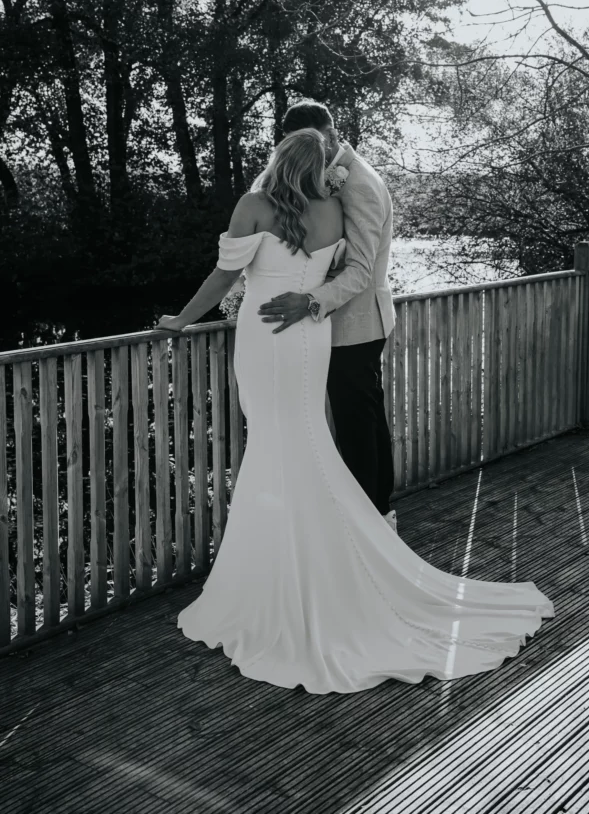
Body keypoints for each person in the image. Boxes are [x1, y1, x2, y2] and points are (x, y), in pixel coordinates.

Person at [157, 121, 554, 694]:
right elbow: (353, 267)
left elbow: (224, 277)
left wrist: (181, 320)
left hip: (267, 337)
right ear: (318, 166)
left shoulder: (253, 205)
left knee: (277, 442)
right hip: (310, 335)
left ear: (278, 159)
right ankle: (316, 557)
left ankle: (285, 575)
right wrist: (312, 298)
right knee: (306, 439)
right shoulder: (332, 211)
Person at [257, 100, 397, 531]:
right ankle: (378, 513)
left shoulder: (358, 184)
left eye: (315, 143)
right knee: (364, 419)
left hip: (357, 323)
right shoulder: (329, 175)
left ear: (332, 134)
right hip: (339, 324)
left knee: (357, 423)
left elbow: (360, 269)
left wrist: (309, 301)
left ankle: (369, 522)